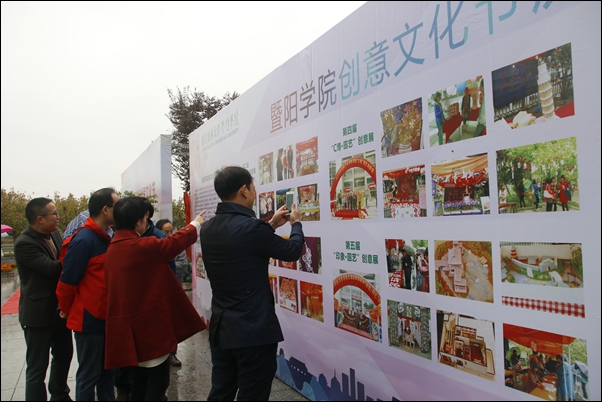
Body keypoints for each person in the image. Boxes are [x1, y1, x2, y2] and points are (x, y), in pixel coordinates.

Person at [200, 166, 305, 400]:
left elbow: (242, 243)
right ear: (244, 191)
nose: (255, 193)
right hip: (253, 331)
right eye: (253, 188)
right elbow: (292, 251)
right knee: (253, 394)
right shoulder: (251, 229)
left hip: (222, 328)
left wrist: (270, 225)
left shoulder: (207, 228)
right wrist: (296, 224)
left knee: (221, 391)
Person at [103, 197, 207, 401]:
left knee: (139, 381)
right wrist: (195, 224)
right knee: (158, 383)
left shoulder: (113, 248)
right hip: (148, 329)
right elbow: (173, 243)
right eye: (145, 219)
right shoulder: (142, 246)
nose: (146, 223)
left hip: (129, 330)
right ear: (137, 222)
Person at [56, 187, 119, 401]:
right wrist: (65, 308)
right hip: (90, 317)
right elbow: (68, 280)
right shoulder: (84, 239)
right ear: (105, 210)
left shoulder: (109, 236)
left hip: (107, 315)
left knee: (108, 372)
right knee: (89, 375)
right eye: (116, 206)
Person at [14, 197, 74, 401]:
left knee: (64, 356)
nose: (58, 217)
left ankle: (60, 395)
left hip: (59, 310)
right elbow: (51, 268)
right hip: (37, 314)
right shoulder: (24, 243)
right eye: (54, 213)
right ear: (39, 218)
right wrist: (75, 258)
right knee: (37, 367)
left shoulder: (55, 233)